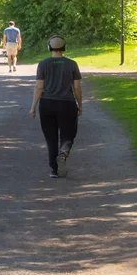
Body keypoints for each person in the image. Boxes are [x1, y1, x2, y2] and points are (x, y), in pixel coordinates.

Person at [30, 34, 83, 178]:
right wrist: (80, 104)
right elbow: (77, 88)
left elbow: (39, 87)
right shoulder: (72, 64)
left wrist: (33, 106)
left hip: (47, 104)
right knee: (68, 134)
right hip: (67, 104)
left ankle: (54, 170)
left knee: (51, 138)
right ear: (64, 47)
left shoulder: (43, 64)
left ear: (49, 47)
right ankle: (63, 152)